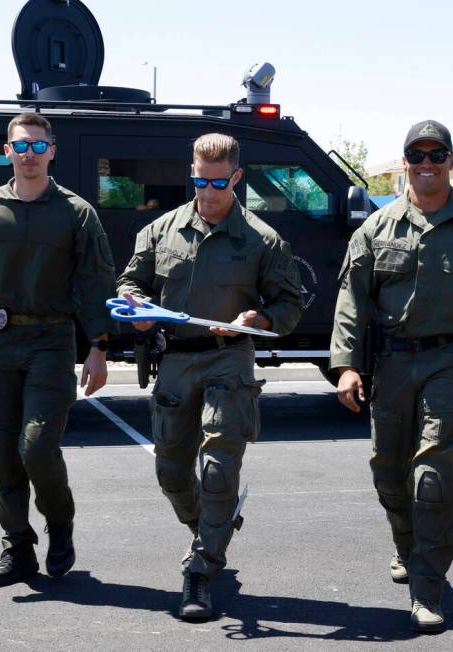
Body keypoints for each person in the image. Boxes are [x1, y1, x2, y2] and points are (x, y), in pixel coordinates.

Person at [330, 119, 453, 633]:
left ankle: (427, 586)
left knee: (433, 479)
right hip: (393, 363)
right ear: (404, 163)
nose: (426, 164)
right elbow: (351, 301)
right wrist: (348, 365)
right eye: (416, 156)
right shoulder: (376, 228)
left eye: (436, 155)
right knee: (388, 471)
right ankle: (406, 543)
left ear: (448, 163)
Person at [117, 133, 304, 620]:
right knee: (172, 472)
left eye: (217, 181)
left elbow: (289, 304)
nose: (206, 190)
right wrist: (138, 307)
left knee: (219, 470)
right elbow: (131, 281)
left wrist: (257, 320)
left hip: (229, 358)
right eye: (198, 179)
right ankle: (210, 526)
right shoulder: (160, 230)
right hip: (176, 359)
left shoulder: (263, 240)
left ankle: (201, 570)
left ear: (237, 178)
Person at [0, 112, 117, 588]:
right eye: (21, 146)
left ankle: (60, 526)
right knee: (0, 450)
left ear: (52, 151)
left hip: (52, 342)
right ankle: (17, 547)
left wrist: (98, 347)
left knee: (36, 447)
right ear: (8, 151)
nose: (30, 155)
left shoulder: (77, 213)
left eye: (38, 146)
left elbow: (96, 282)